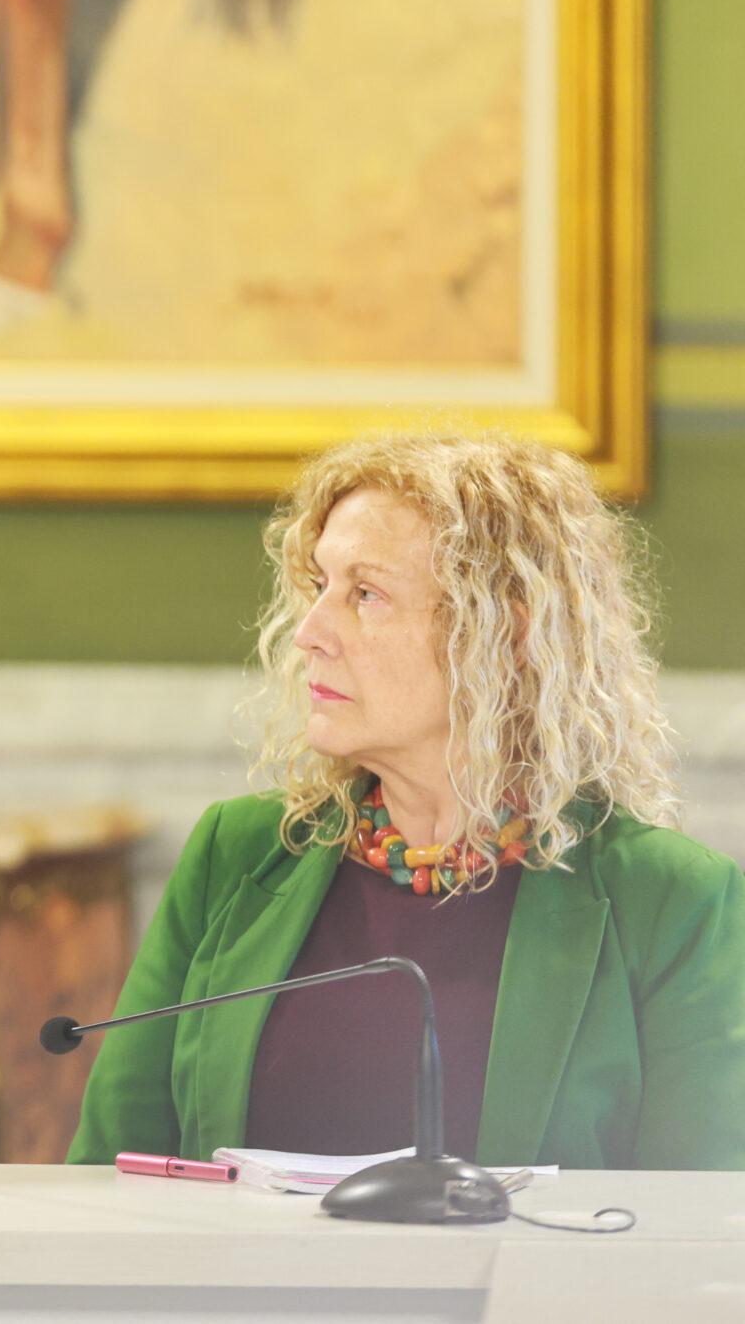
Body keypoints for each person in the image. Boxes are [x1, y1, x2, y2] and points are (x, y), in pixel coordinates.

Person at [68, 429, 745, 1170]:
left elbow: (705, 1219)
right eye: (320, 586)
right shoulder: (234, 854)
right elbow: (107, 1179)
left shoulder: (673, 902)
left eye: (366, 594)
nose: (310, 633)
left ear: (506, 634)